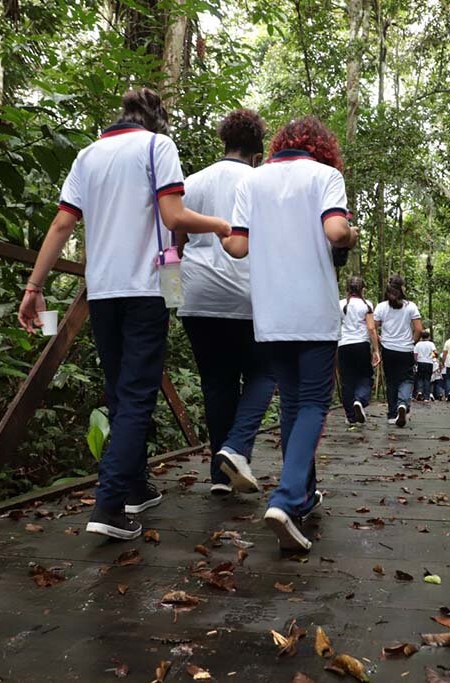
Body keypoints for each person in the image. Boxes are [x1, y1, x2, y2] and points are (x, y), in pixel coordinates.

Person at [17, 88, 230, 541]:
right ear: (157, 120)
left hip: (103, 291)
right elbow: (173, 217)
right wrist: (219, 224)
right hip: (145, 288)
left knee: (119, 390)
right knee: (136, 395)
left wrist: (34, 287)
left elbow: (62, 224)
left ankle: (133, 486)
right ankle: (110, 504)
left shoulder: (87, 155)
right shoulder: (158, 147)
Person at [222, 116, 357, 552]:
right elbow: (336, 231)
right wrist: (351, 233)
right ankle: (284, 497)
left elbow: (237, 246)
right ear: (321, 148)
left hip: (271, 312)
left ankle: (300, 496)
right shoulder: (325, 176)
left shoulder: (252, 183)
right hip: (313, 310)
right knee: (316, 403)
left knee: (294, 402)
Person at [178, 109, 275, 497]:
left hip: (197, 296)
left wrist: (173, 298)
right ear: (258, 151)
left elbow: (175, 244)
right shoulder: (262, 183)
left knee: (216, 385)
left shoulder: (191, 182)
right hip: (250, 296)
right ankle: (236, 449)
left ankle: (221, 478)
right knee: (266, 374)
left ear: (225, 142)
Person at [373, 275, 423, 427]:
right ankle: (403, 404)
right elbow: (419, 329)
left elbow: (373, 328)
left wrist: (381, 340)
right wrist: (412, 341)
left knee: (391, 381)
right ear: (402, 288)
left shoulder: (381, 307)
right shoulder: (411, 306)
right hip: (405, 349)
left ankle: (392, 414)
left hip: (388, 349)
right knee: (406, 379)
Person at [338, 276, 381, 425]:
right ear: (362, 289)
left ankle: (350, 416)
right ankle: (360, 401)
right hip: (361, 345)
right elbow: (371, 328)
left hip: (343, 345)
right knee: (365, 376)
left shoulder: (340, 304)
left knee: (347, 380)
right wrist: (376, 350)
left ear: (347, 289)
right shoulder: (367, 304)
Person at [413, 331, 437, 401]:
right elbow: (435, 352)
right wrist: (434, 357)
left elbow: (415, 354)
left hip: (420, 362)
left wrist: (416, 361)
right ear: (429, 337)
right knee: (427, 379)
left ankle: (419, 391)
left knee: (420, 378)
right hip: (429, 363)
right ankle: (426, 397)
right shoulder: (431, 344)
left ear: (421, 337)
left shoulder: (418, 344)